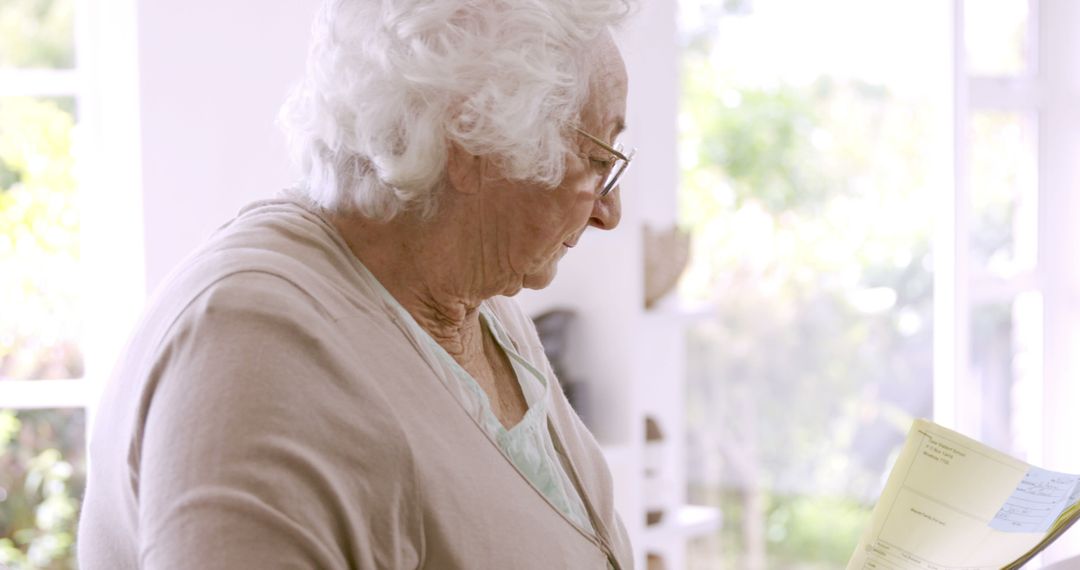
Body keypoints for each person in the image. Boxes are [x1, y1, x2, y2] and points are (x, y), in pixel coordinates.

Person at [77, 0, 636, 568]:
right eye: (597, 160)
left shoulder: (484, 307)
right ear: (472, 137)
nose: (609, 210)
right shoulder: (252, 348)